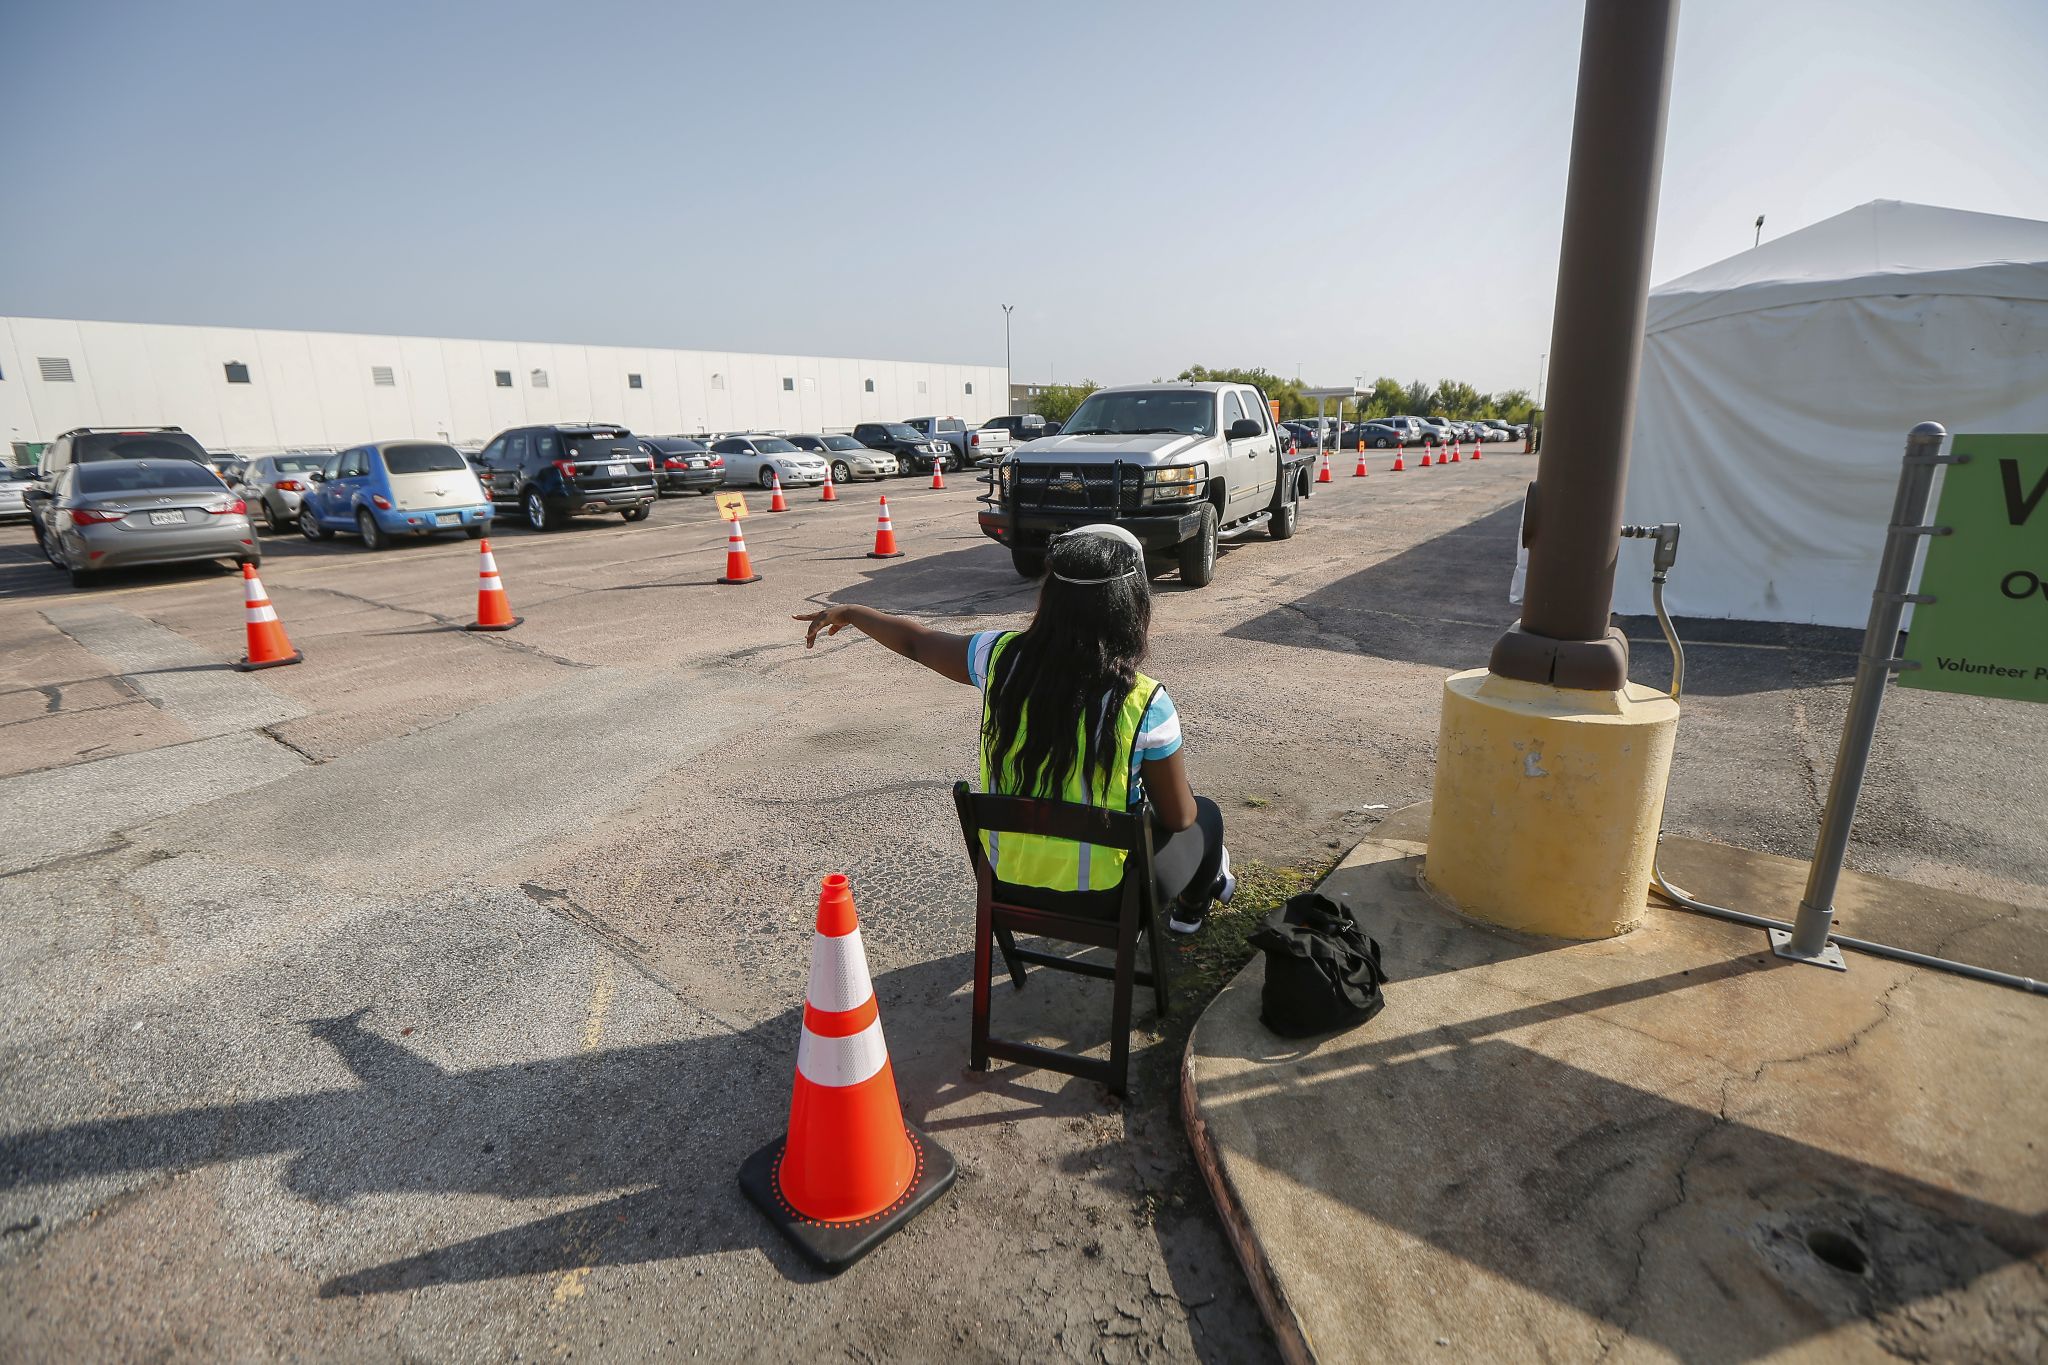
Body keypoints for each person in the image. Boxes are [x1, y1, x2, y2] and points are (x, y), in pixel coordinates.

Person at [796, 523, 1232, 933]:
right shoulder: (1145, 701)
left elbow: (916, 642)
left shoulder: (998, 657)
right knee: (1205, 815)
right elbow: (1179, 817)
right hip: (1108, 899)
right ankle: (1191, 912)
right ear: (1133, 605)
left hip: (1010, 885)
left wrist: (852, 610)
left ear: (1050, 598)